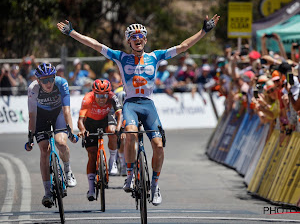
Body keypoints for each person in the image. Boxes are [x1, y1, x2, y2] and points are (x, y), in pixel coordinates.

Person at [57, 14, 220, 206]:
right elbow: (94, 44)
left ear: (145, 39)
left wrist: (204, 31)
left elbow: (183, 47)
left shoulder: (156, 56)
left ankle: (155, 185)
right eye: (133, 36)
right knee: (131, 134)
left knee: (158, 146)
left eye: (141, 35)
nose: (137, 39)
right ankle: (130, 175)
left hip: (148, 104)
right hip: (131, 104)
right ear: (129, 41)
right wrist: (73, 33)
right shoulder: (120, 57)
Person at [25, 63, 78, 208]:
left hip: (58, 114)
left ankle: (68, 170)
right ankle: (47, 192)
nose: (48, 83)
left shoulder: (62, 83)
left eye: (51, 79)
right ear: (38, 80)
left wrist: (71, 132)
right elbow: (32, 116)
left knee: (61, 143)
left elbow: (67, 111)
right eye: (44, 80)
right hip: (41, 117)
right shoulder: (33, 89)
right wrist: (30, 138)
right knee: (44, 149)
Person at [77, 79, 124, 201]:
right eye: (98, 95)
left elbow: (119, 114)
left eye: (104, 95)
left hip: (106, 119)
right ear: (94, 93)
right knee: (92, 155)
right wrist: (82, 130)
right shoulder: (87, 98)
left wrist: (119, 128)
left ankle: (113, 161)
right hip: (91, 122)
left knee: (113, 132)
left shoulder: (112, 97)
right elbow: (80, 121)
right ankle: (91, 189)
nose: (102, 98)